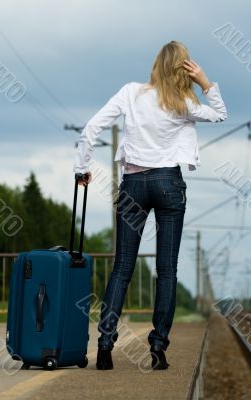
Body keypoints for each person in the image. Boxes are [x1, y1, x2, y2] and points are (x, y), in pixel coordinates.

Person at [74, 40, 227, 370]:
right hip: (169, 185)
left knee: (122, 267)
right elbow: (220, 114)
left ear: (156, 65)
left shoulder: (131, 92)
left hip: (132, 185)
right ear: (182, 68)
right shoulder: (183, 101)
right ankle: (158, 348)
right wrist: (204, 81)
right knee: (167, 270)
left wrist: (81, 167)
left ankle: (104, 344)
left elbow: (91, 128)